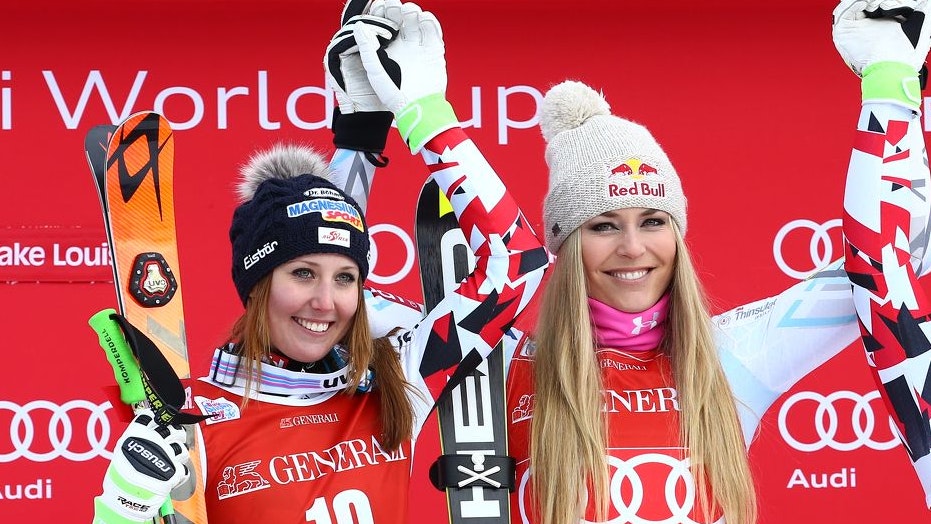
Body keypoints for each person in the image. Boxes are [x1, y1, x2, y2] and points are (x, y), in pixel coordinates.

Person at [90, 2, 549, 523]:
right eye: (302, 273)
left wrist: (424, 116)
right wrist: (121, 507)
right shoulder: (192, 422)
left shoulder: (399, 381)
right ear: (259, 282)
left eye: (347, 279)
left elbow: (516, 262)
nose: (325, 302)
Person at [504, 1, 931, 523]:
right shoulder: (509, 365)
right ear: (564, 245)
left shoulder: (734, 353)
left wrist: (890, 83)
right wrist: (406, 123)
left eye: (654, 221)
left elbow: (891, 256)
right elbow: (378, 315)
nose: (633, 248)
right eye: (603, 225)